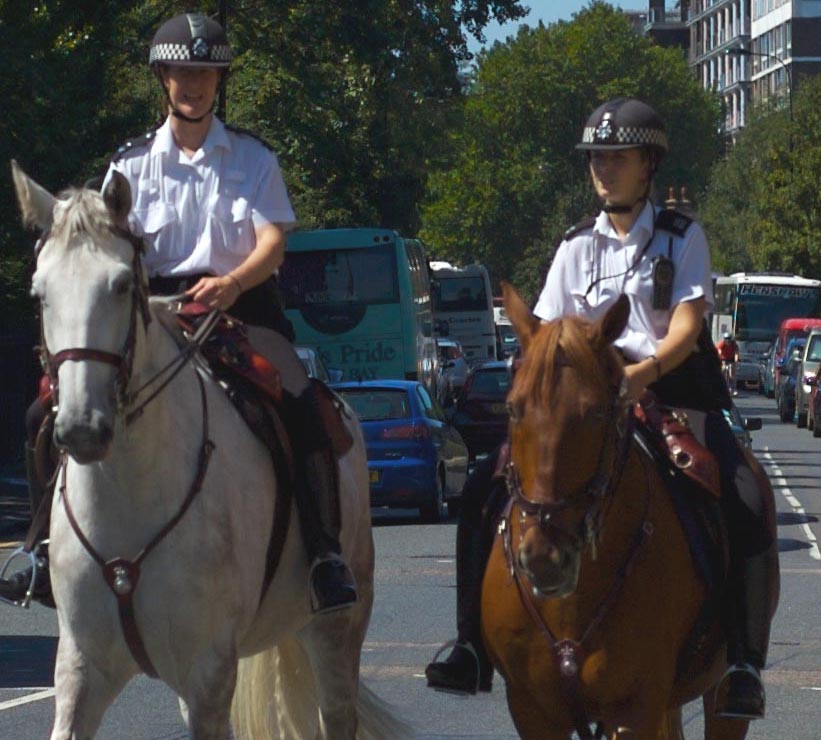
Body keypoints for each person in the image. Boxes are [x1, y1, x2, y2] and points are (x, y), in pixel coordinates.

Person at [426, 97, 776, 721]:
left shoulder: (681, 236)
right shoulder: (574, 246)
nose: (604, 169)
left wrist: (644, 373)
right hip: (587, 399)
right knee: (484, 485)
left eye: (618, 157)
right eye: (597, 158)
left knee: (746, 493)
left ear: (649, 165)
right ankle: (471, 645)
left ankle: (744, 659)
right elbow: (547, 329)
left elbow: (689, 324)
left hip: (672, 389)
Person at [0, 12, 357, 615]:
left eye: (205, 73)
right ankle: (39, 552)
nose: (192, 85)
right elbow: (101, 245)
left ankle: (324, 555)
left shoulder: (252, 158)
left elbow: (272, 241)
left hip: (242, 308)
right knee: (45, 408)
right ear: (162, 79)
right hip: (154, 312)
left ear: (220, 81)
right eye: (180, 73)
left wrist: (233, 282)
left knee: (302, 401)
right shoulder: (130, 164)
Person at [717, 331, 740, 395]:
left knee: (731, 374)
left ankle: (733, 388)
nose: (727, 340)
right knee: (723, 370)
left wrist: (736, 361)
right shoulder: (721, 344)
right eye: (726, 339)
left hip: (731, 359)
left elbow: (736, 353)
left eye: (729, 339)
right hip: (723, 359)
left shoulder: (734, 345)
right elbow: (719, 352)